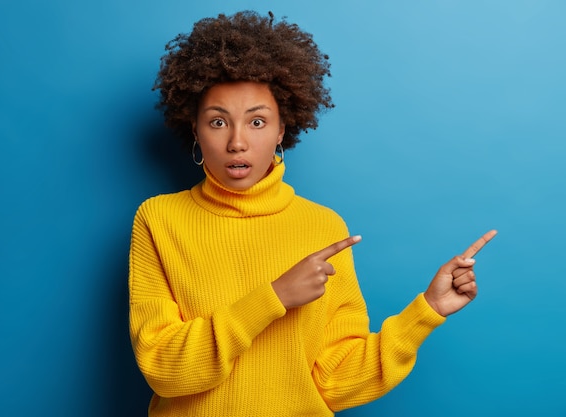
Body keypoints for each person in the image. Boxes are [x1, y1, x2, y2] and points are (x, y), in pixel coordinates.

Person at [128, 10, 496, 416]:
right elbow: (164, 369)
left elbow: (334, 383)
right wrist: (273, 298)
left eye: (257, 121)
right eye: (218, 122)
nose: (237, 142)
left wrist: (427, 310)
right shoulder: (159, 219)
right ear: (195, 129)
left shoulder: (323, 227)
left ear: (282, 129)